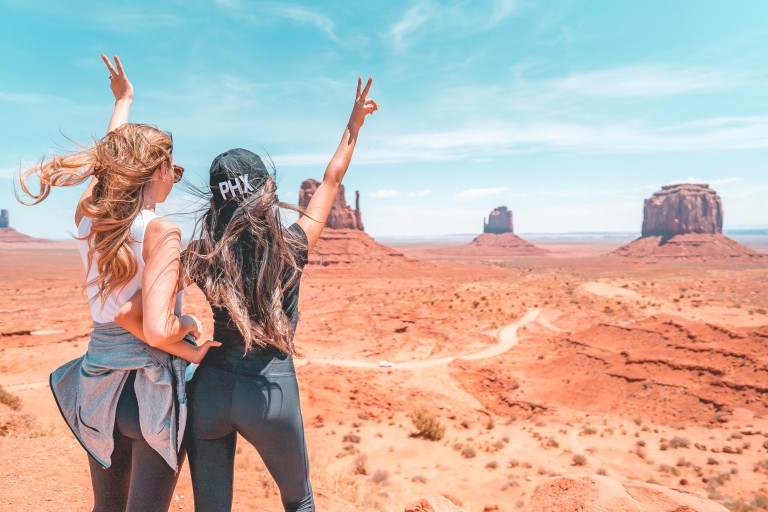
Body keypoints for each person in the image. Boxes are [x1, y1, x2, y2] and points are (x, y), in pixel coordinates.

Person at [16, 55, 219, 512]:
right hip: (151, 389)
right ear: (159, 169)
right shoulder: (161, 231)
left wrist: (123, 102)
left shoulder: (90, 218)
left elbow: (104, 172)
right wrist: (190, 328)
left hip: (99, 384)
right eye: (174, 169)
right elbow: (158, 331)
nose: (174, 178)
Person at [182, 76, 378, 512]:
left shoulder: (199, 255)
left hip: (210, 387)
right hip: (270, 388)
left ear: (215, 200)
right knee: (299, 500)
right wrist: (354, 125)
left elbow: (144, 305)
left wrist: (184, 339)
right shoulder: (292, 245)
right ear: (266, 191)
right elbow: (331, 180)